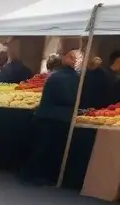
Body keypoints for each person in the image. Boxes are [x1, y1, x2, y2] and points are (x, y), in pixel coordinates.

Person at [20, 54, 78, 186]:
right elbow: (70, 98)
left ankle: (30, 174)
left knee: (41, 147)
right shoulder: (74, 78)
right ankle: (44, 175)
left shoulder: (55, 77)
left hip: (46, 116)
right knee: (53, 149)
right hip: (62, 117)